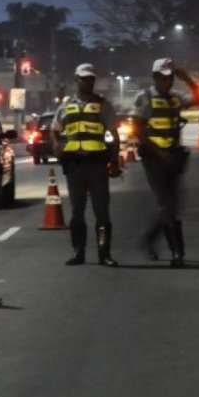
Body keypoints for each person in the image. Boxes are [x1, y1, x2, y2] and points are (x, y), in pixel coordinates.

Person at [51, 62, 122, 267]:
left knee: (101, 211)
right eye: (84, 79)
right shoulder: (65, 106)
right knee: (77, 212)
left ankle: (104, 254)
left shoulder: (102, 105)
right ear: (76, 80)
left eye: (91, 79)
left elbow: (114, 134)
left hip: (97, 163)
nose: (88, 82)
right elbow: (54, 130)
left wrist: (115, 161)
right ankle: (78, 252)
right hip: (75, 165)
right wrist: (56, 145)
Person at [135, 58, 199, 267]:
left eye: (171, 78)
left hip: (173, 156)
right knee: (166, 203)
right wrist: (158, 151)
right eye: (164, 78)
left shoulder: (176, 97)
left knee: (172, 205)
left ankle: (150, 239)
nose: (168, 81)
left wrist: (187, 79)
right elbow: (139, 129)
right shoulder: (144, 98)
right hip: (153, 157)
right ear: (155, 77)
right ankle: (177, 252)